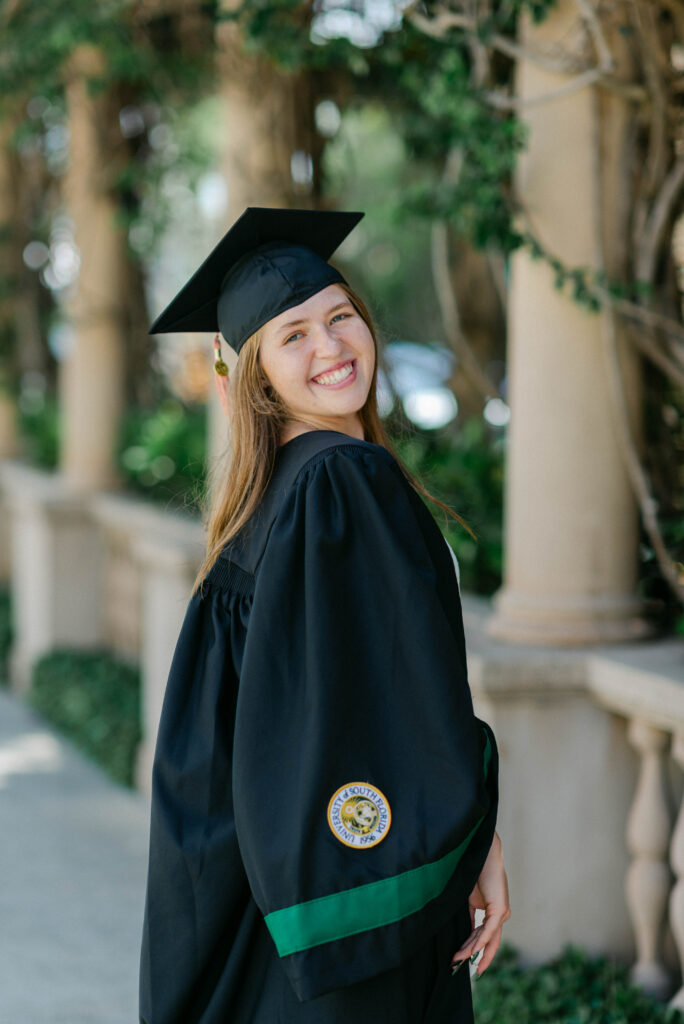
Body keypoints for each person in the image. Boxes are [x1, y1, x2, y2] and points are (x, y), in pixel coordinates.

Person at [139, 206, 511, 1024]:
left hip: (277, 899)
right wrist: (470, 833)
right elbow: (390, 706)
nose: (331, 347)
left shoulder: (272, 496)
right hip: (357, 912)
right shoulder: (343, 480)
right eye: (293, 335)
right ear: (259, 375)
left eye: (340, 317)